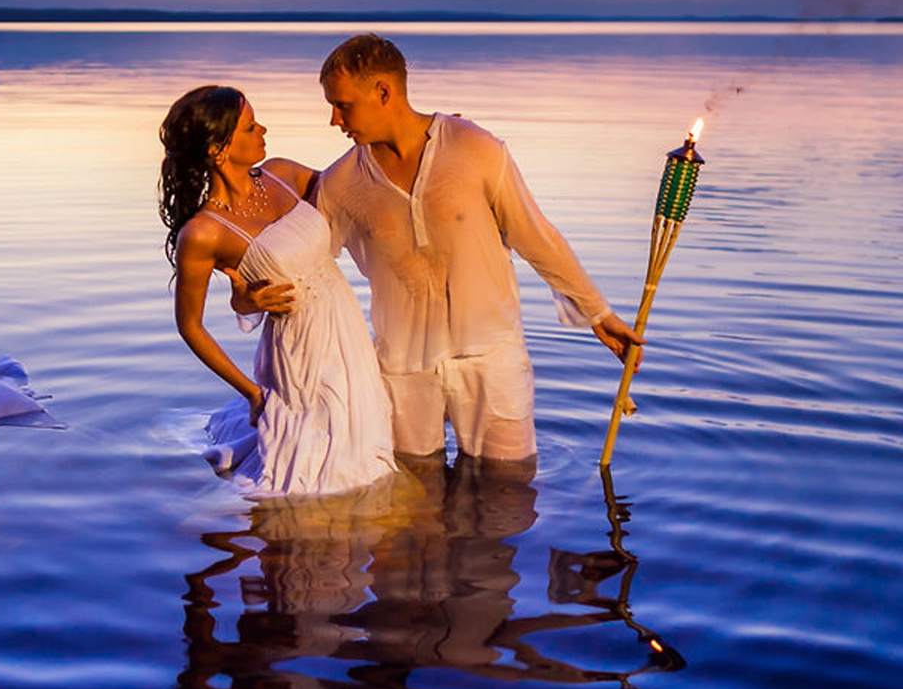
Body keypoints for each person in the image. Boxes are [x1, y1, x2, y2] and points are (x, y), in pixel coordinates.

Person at [239, 34, 642, 464]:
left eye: (343, 105)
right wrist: (244, 299)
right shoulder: (340, 184)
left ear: (383, 92)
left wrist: (597, 313)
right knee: (413, 506)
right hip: (401, 371)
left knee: (507, 499)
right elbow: (304, 266)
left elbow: (536, 236)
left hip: (493, 360)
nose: (334, 120)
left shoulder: (475, 147)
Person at [160, 84, 399, 497]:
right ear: (218, 150)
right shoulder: (202, 234)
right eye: (251, 127)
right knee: (314, 478)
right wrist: (251, 392)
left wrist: (436, 143)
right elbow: (190, 327)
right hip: (297, 353)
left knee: (365, 452)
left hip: (347, 333)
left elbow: (363, 186)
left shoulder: (284, 174)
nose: (264, 130)